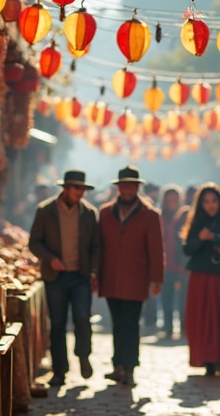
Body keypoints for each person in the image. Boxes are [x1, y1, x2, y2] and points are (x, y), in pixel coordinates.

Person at [27, 170, 102, 387]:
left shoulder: (89, 213)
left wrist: (94, 270)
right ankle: (59, 370)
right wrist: (50, 258)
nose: (80, 193)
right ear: (66, 188)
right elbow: (34, 242)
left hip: (80, 276)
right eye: (77, 188)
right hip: (56, 277)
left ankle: (83, 355)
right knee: (58, 324)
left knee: (82, 318)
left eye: (83, 189)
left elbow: (96, 247)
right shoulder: (45, 211)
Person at [98, 165, 165, 386]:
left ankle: (130, 367)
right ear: (119, 188)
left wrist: (157, 278)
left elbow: (156, 249)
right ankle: (117, 365)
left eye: (131, 186)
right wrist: (95, 273)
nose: (127, 190)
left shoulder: (150, 215)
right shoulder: (106, 213)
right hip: (111, 277)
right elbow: (98, 246)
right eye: (123, 186)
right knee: (116, 322)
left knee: (131, 323)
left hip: (137, 278)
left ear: (137, 188)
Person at [181, 183, 220, 376]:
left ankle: (219, 358)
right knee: (201, 319)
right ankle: (205, 358)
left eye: (214, 201)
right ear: (201, 204)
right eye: (206, 201)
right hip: (200, 277)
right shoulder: (197, 221)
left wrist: (215, 238)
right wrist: (201, 238)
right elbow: (186, 248)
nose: (210, 205)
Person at [159, 185, 187, 340]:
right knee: (166, 297)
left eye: (174, 198)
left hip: (181, 265)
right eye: (169, 198)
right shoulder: (159, 216)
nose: (172, 201)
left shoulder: (184, 216)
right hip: (165, 264)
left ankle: (183, 326)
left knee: (183, 299)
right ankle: (168, 326)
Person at [141, 183, 161, 334]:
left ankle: (150, 320)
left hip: (148, 264)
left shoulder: (152, 213)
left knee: (151, 297)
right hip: (137, 264)